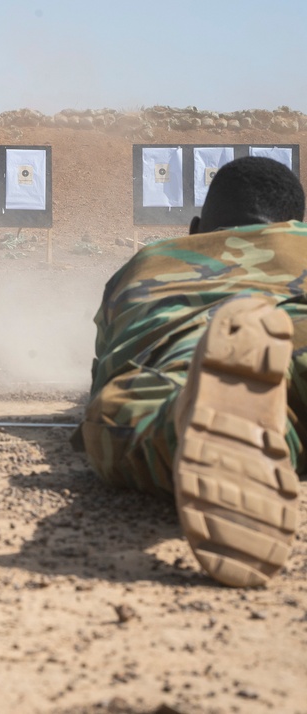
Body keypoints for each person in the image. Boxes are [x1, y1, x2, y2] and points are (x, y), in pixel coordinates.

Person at [75, 155, 305, 588]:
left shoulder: (150, 260)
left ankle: (186, 417)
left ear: (196, 228)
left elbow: (106, 367)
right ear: (295, 224)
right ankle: (266, 415)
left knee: (134, 407)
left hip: (188, 345)